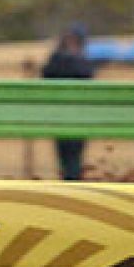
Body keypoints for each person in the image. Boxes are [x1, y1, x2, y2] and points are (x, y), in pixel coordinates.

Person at [39, 25, 97, 180]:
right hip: (70, 113)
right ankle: (71, 179)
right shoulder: (79, 59)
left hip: (69, 113)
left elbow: (47, 74)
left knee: (72, 154)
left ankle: (71, 179)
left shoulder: (60, 58)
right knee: (67, 154)